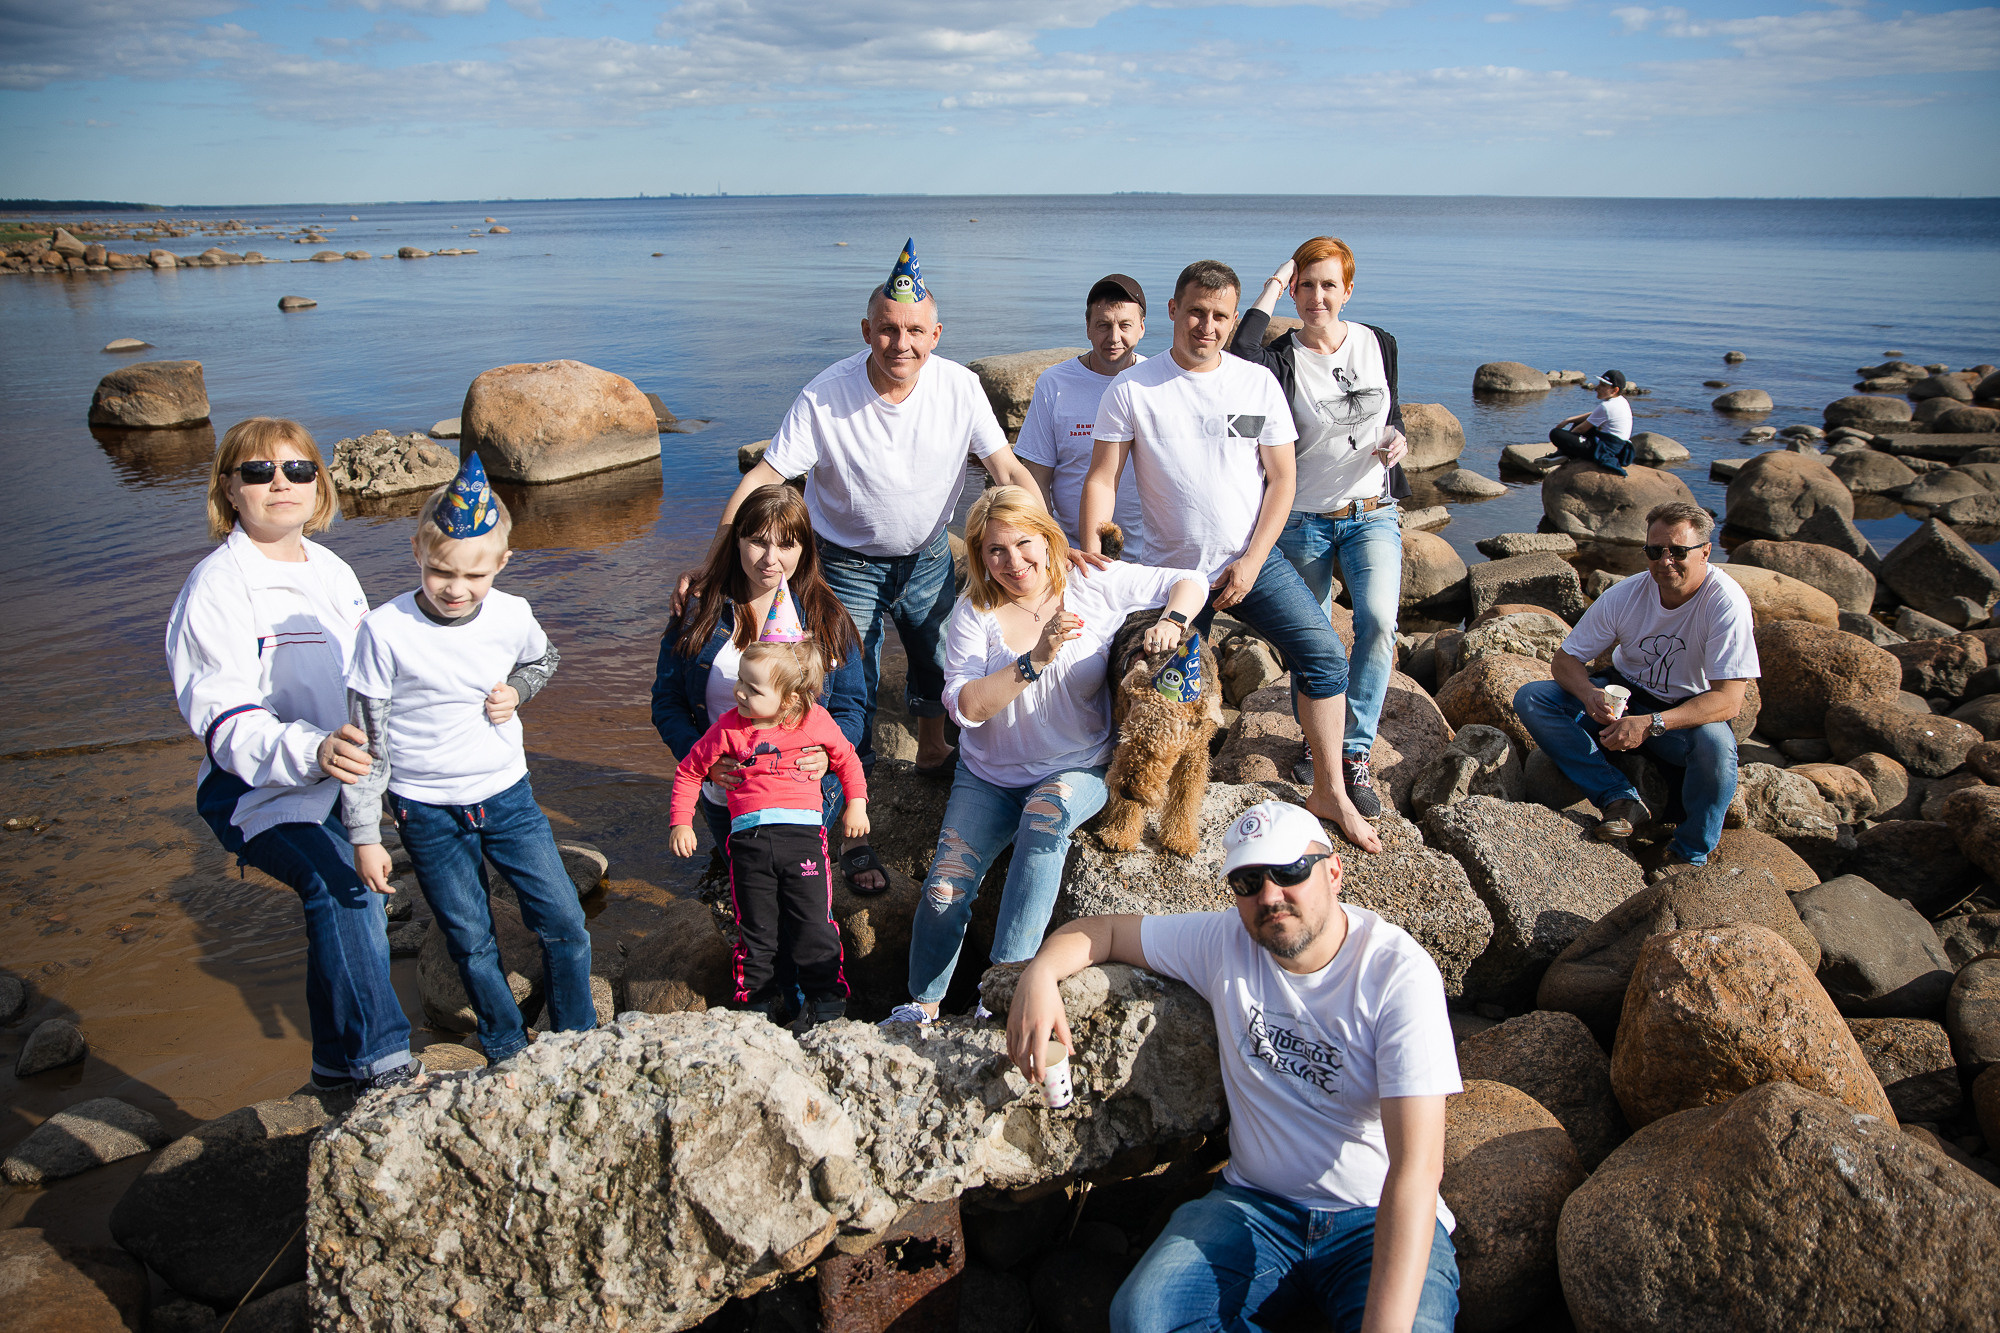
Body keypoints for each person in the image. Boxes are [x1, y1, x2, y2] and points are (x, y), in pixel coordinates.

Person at [1006, 800, 1462, 1331]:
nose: (1270, 896)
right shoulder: (1223, 941)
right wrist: (1038, 975)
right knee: (1143, 1316)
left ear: (1334, 871)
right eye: (1248, 881)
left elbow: (1417, 1171)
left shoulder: (1396, 975)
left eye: (1290, 871)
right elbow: (1101, 931)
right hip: (1256, 1204)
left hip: (1374, 1215)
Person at [674, 239, 1047, 781]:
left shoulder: (961, 388)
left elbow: (1008, 472)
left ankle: (934, 752)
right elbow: (763, 478)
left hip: (928, 556)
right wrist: (714, 567)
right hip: (845, 561)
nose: (901, 343)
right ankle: (856, 775)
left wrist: (1053, 545)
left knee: (937, 657)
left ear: (935, 335)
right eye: (888, 329)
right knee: (850, 674)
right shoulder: (826, 395)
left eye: (915, 330)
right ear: (867, 330)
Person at [1079, 260, 1381, 853]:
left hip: (1251, 562)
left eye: (1220, 316)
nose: (1207, 326)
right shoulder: (1133, 388)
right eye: (1195, 312)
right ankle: (1121, 803)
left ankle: (1329, 790)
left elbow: (1283, 482)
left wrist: (1251, 560)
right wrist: (1095, 552)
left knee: (1324, 657)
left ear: (1234, 319)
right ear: (1172, 310)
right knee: (1154, 689)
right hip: (1171, 577)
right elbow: (1102, 477)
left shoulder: (1256, 383)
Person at [882, 486, 1207, 1026]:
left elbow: (1191, 580)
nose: (1014, 562)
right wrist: (1034, 660)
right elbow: (965, 709)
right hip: (988, 776)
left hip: (1077, 765)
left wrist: (1171, 621)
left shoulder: (1089, 581)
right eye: (995, 551)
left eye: (1024, 544)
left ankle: (1002, 992)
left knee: (1044, 818)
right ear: (980, 556)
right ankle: (922, 1003)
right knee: (944, 887)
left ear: (1047, 537)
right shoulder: (972, 614)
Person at [166, 417, 418, 1094]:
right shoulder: (216, 586)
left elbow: (370, 683)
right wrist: (311, 749)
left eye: (298, 469)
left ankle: (334, 1065)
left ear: (319, 484)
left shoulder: (332, 570)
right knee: (343, 887)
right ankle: (386, 1065)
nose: (281, 483)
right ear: (229, 488)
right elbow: (224, 719)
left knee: (342, 895)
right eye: (259, 471)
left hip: (339, 780)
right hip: (254, 788)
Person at [341, 454, 596, 1063]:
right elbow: (365, 741)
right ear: (417, 554)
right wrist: (364, 834)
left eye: (474, 576)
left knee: (565, 924)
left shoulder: (512, 614)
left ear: (501, 564)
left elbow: (543, 660)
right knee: (470, 938)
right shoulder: (383, 631)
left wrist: (518, 691)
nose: (456, 588)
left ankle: (577, 1037)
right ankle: (504, 1042)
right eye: (440, 572)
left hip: (508, 797)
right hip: (426, 810)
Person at [1231, 237, 1411, 815]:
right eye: (1306, 285)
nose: (1316, 297)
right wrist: (1273, 283)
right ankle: (1318, 746)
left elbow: (1392, 411)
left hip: (1371, 513)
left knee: (1379, 622)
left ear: (1348, 289)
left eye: (1328, 284)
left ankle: (1352, 751)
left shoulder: (1378, 342)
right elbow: (1238, 349)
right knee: (1312, 642)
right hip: (1303, 519)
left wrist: (1398, 441)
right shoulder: (1280, 357)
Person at [652, 484, 882, 892]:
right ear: (736, 539)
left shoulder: (827, 617)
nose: (770, 559)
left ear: (805, 549)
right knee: (756, 908)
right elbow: (666, 702)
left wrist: (828, 758)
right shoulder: (698, 612)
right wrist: (702, 761)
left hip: (808, 797)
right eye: (757, 542)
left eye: (786, 545)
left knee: (805, 907)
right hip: (729, 795)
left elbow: (850, 707)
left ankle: (846, 850)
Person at [1513, 502, 1757, 870]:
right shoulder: (1626, 594)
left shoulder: (1725, 603)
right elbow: (1565, 661)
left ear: (1705, 551)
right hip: (1623, 694)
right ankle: (1619, 797)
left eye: (1678, 551)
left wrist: (1651, 724)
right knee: (1534, 698)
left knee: (1717, 749)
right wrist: (1588, 694)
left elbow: (1728, 701)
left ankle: (1690, 854)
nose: (1665, 561)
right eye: (1654, 551)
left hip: (1684, 713)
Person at [668, 638, 869, 1028]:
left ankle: (826, 1004)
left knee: (813, 923)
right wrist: (681, 820)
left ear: (791, 699)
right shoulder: (728, 728)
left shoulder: (813, 720)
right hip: (749, 844)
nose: (738, 692)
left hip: (804, 841)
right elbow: (689, 770)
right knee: (757, 931)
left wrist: (856, 804)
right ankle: (754, 1008)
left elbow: (847, 760)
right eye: (740, 680)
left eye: (752, 688)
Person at [1016, 273, 1150, 553]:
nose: (1114, 337)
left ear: (1141, 327)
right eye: (1103, 325)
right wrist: (1052, 543)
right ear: (1087, 327)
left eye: (1125, 325)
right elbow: (1037, 477)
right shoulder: (1054, 383)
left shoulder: (1156, 382)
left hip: (1148, 554)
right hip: (1073, 552)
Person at [1548, 371, 1635, 475]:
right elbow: (1593, 415)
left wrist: (1566, 443)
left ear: (1615, 390)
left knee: (1556, 433)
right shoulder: (1621, 401)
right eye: (1599, 384)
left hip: (1605, 448)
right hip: (1617, 446)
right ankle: (1564, 454)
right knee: (1578, 422)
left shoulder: (1607, 406)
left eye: (1603, 385)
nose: (1597, 388)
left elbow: (1581, 429)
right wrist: (1569, 420)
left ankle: (1563, 454)